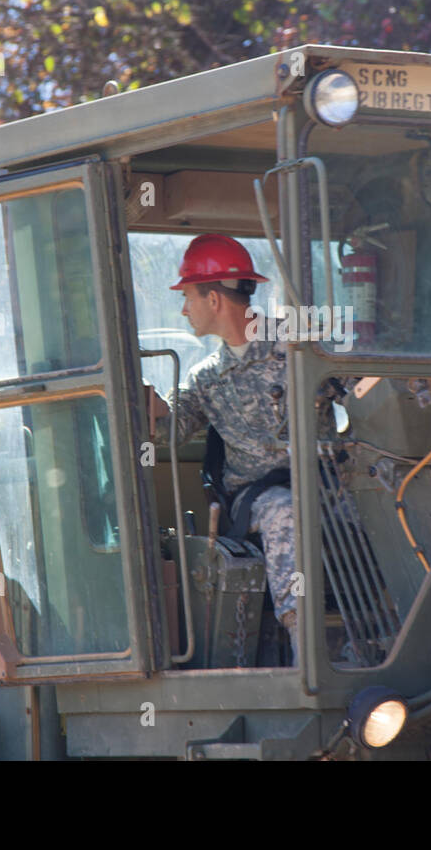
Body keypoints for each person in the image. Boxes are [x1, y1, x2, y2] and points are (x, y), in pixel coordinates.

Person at [145, 234, 299, 662]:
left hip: (327, 487)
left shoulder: (297, 349)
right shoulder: (206, 377)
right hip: (257, 503)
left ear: (213, 300)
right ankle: (307, 653)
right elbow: (173, 432)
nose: (182, 309)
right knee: (283, 508)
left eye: (188, 297)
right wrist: (151, 411)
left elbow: (359, 395)